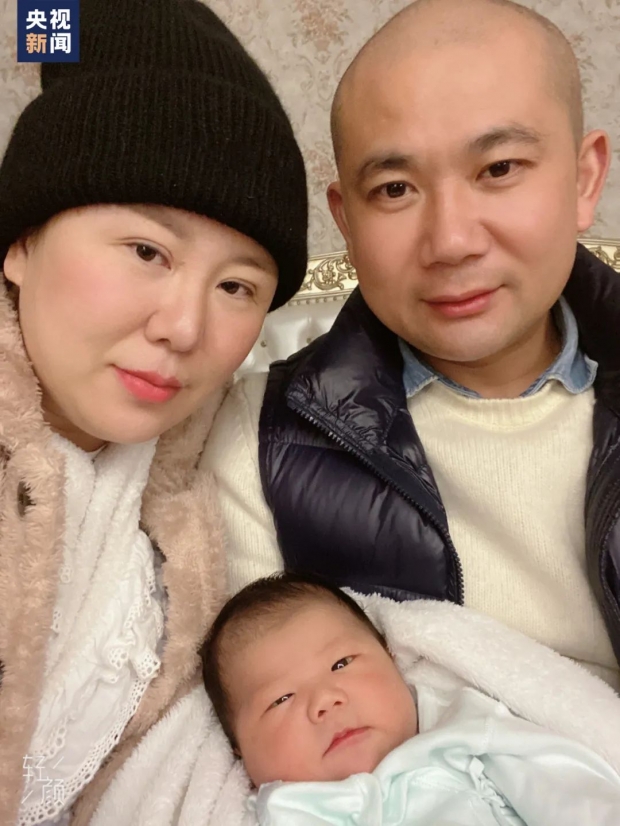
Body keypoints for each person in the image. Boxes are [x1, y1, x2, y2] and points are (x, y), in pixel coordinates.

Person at [202, 0, 620, 690]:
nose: (451, 241)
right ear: (347, 221)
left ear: (583, 179)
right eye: (395, 189)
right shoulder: (259, 439)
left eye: (498, 169)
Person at [0, 0, 307, 823]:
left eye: (236, 286)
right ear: (22, 242)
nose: (185, 327)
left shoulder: (203, 479)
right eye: (147, 252)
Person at [200, 574, 620, 826]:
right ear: (238, 749)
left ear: (391, 658)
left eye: (342, 663)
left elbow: (575, 797)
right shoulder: (280, 813)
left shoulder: (466, 739)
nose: (325, 700)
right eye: (281, 698)